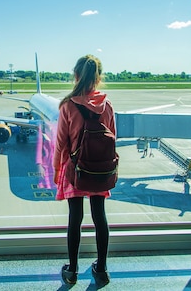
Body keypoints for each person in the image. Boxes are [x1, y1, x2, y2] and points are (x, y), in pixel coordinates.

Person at [53, 54, 115, 286]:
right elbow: (112, 138)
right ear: (98, 78)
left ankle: (72, 270)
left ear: (76, 76)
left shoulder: (68, 106)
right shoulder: (107, 105)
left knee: (75, 218)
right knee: (100, 217)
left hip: (75, 169)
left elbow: (61, 143)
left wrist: (58, 170)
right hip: (100, 169)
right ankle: (101, 269)